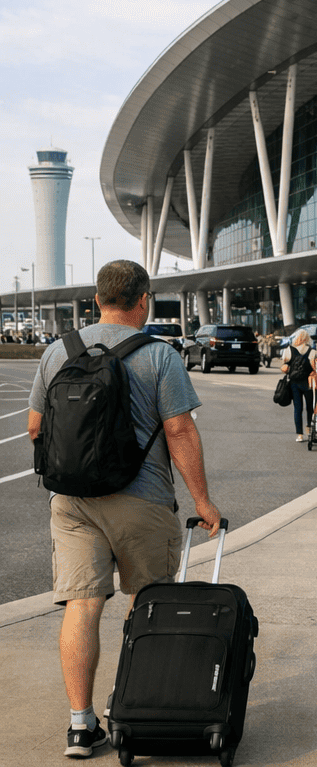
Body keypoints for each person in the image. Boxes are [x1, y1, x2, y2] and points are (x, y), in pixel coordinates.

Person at [25, 260, 220, 760]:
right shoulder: (160, 356)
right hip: (144, 499)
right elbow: (179, 431)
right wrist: (202, 500)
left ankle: (79, 725)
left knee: (82, 606)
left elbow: (33, 428)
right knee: (146, 603)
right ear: (144, 301)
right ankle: (130, 707)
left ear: (96, 301)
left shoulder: (57, 351)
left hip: (72, 502)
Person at [281, 329, 314, 441]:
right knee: (310, 407)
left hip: (294, 383)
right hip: (308, 383)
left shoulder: (288, 350)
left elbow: (284, 366)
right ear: (307, 339)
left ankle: (299, 434)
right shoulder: (312, 351)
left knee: (297, 408)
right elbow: (315, 368)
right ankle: (309, 427)